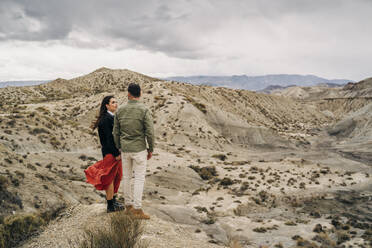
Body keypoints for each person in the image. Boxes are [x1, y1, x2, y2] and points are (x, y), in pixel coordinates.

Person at [113, 83, 154, 219]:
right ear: (140, 94)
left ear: (128, 94)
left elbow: (116, 132)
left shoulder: (120, 110)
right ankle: (137, 209)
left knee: (127, 177)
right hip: (139, 149)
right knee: (139, 179)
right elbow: (150, 132)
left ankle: (128, 206)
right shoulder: (144, 110)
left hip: (125, 149)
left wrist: (119, 146)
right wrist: (151, 149)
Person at [85, 95, 124, 213]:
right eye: (113, 102)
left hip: (112, 152)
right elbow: (109, 138)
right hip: (110, 153)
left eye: (116, 102)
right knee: (110, 178)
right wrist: (116, 153)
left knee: (117, 176)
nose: (116, 104)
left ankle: (112, 201)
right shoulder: (106, 119)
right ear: (107, 105)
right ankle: (111, 205)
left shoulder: (110, 117)